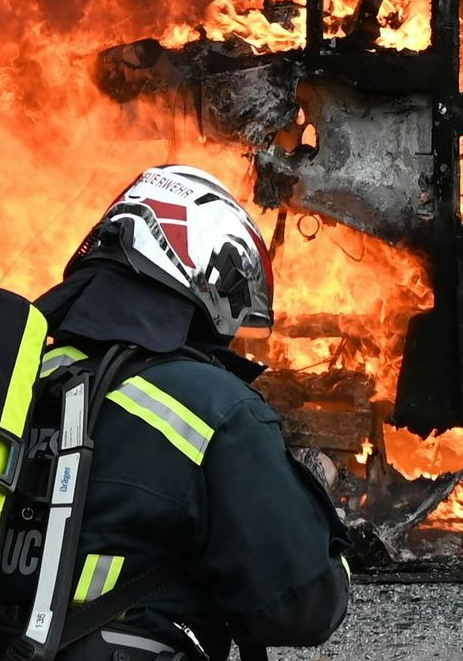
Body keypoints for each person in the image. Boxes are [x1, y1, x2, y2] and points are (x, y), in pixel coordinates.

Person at [34, 163, 353, 660]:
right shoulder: (214, 406)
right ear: (209, 274)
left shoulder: (25, 377)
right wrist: (317, 502)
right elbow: (304, 606)